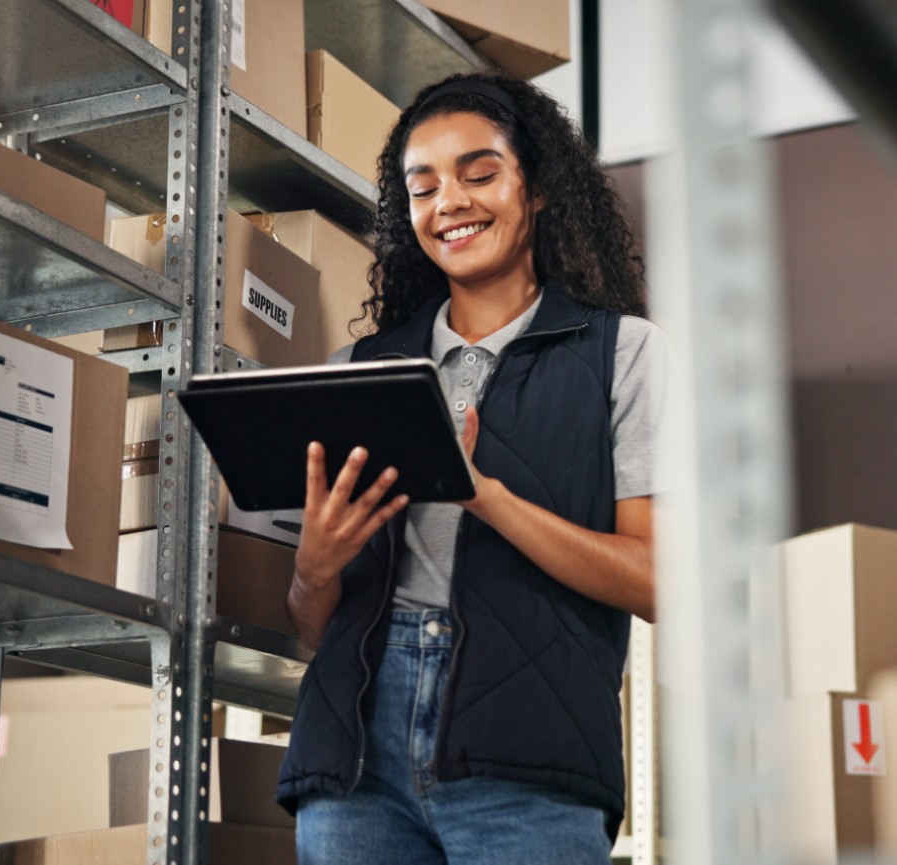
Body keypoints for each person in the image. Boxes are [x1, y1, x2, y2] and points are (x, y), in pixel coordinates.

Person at [274, 71, 670, 865]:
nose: (449, 201)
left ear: (542, 187)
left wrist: (486, 497)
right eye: (422, 188)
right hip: (353, 759)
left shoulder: (621, 354)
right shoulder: (360, 367)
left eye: (479, 173)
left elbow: (659, 581)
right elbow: (314, 628)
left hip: (529, 749)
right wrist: (313, 570)